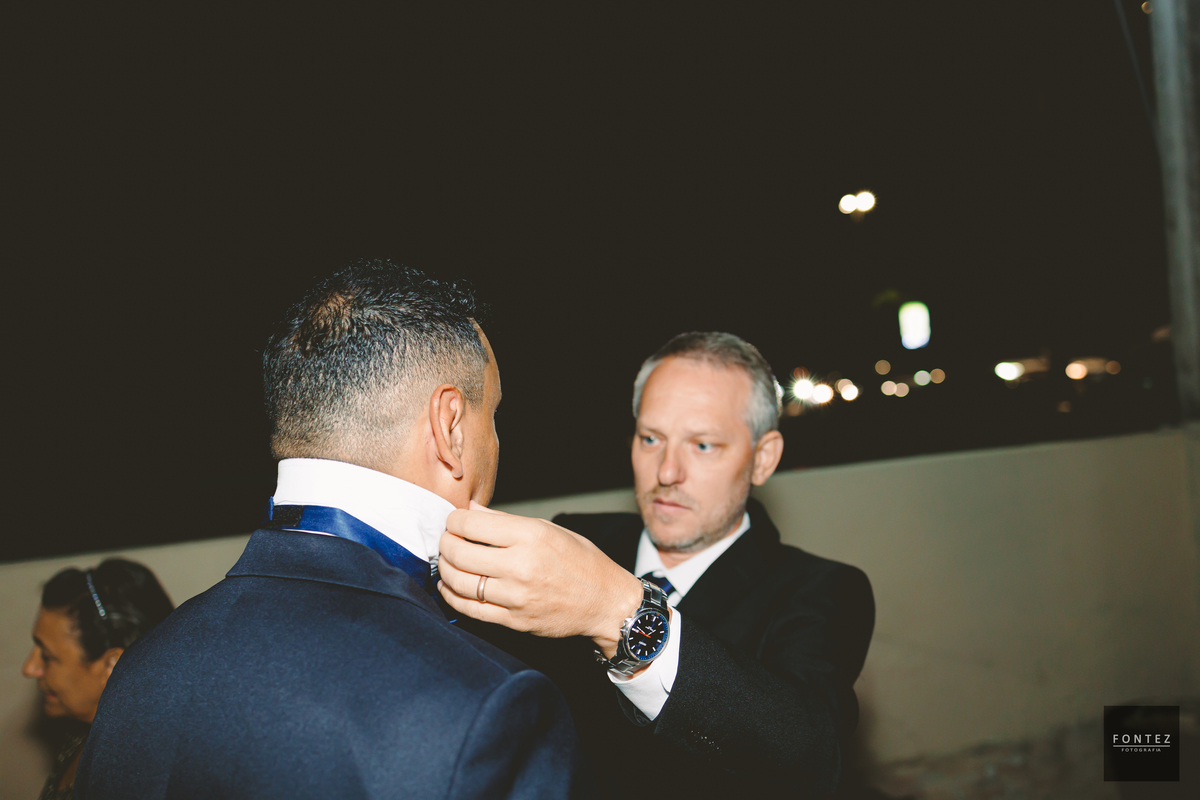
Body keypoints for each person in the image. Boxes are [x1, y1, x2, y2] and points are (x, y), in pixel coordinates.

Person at [76, 260, 593, 799]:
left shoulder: (142, 669)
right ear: (451, 428)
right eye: (494, 415)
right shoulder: (492, 707)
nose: (497, 443)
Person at [439, 331, 875, 798]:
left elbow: (810, 754)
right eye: (651, 439)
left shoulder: (823, 589)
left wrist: (618, 609)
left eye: (703, 445)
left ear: (762, 459)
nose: (667, 472)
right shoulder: (573, 539)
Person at [22, 558, 175, 800]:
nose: (29, 669)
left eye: (47, 656)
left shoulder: (135, 780)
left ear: (112, 665)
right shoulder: (80, 735)